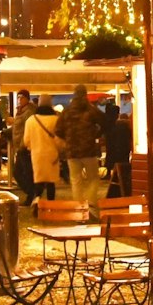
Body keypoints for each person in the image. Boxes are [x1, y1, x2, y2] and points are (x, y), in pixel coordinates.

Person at [56, 84, 106, 215]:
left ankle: (79, 208)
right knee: (93, 178)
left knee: (76, 180)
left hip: (72, 151)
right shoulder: (91, 109)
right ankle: (90, 204)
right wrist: (96, 133)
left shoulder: (67, 111)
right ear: (85, 95)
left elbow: (58, 130)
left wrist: (68, 138)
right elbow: (105, 121)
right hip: (88, 149)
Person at [21, 100, 63, 205]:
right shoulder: (56, 120)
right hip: (52, 155)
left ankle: (38, 203)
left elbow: (26, 140)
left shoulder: (31, 120)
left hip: (37, 154)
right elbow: (61, 139)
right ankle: (51, 205)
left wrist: (33, 147)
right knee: (51, 182)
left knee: (39, 181)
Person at [99, 98, 132, 198]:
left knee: (113, 160)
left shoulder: (108, 125)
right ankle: (118, 177)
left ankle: (111, 174)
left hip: (114, 150)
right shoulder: (122, 125)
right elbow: (128, 138)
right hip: (122, 151)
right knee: (121, 167)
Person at [9, 90, 37, 196]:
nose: (19, 100)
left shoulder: (29, 111)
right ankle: (32, 195)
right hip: (20, 146)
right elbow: (18, 128)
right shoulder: (20, 111)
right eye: (18, 97)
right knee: (24, 173)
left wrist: (23, 145)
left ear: (27, 98)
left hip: (25, 147)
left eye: (22, 97)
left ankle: (32, 194)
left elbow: (27, 129)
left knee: (20, 173)